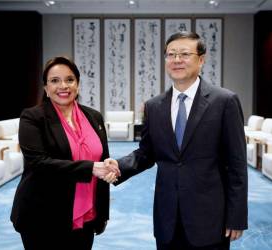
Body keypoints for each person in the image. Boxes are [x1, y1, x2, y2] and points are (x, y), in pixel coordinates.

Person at [104, 32, 248, 250]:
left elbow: (236, 164)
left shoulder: (224, 101)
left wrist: (236, 216)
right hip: (167, 217)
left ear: (201, 59)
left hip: (210, 218)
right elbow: (146, 153)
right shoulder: (154, 106)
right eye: (171, 54)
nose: (177, 60)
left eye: (184, 54)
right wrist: (119, 166)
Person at [10, 56, 119, 250]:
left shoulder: (94, 116)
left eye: (70, 79)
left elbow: (102, 160)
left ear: (77, 84)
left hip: (87, 214)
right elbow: (38, 163)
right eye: (54, 80)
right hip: (43, 215)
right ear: (45, 87)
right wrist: (92, 168)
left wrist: (102, 212)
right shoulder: (33, 117)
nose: (63, 86)